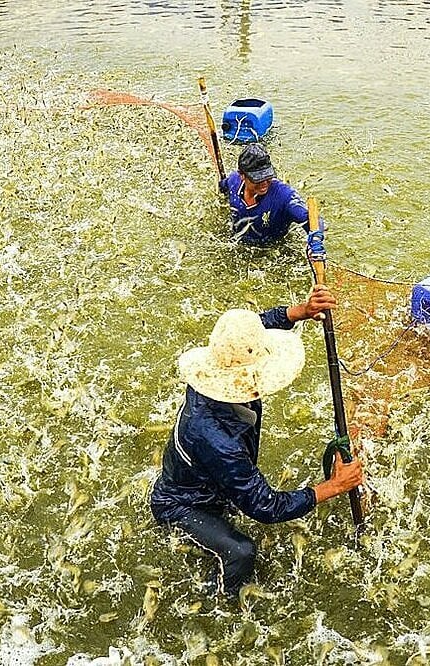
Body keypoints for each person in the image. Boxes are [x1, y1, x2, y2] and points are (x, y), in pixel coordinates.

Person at [150, 286, 364, 595]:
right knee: (242, 552)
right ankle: (222, 606)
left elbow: (252, 330)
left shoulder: (219, 364)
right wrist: (333, 487)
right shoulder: (217, 439)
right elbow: (265, 507)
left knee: (235, 500)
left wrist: (297, 311)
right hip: (182, 506)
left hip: (209, 483)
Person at [221, 144, 317, 246]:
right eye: (257, 179)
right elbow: (222, 189)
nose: (264, 184)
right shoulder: (233, 181)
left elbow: (312, 221)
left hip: (272, 248)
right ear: (242, 175)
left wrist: (316, 238)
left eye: (267, 176)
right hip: (236, 241)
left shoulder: (284, 196)